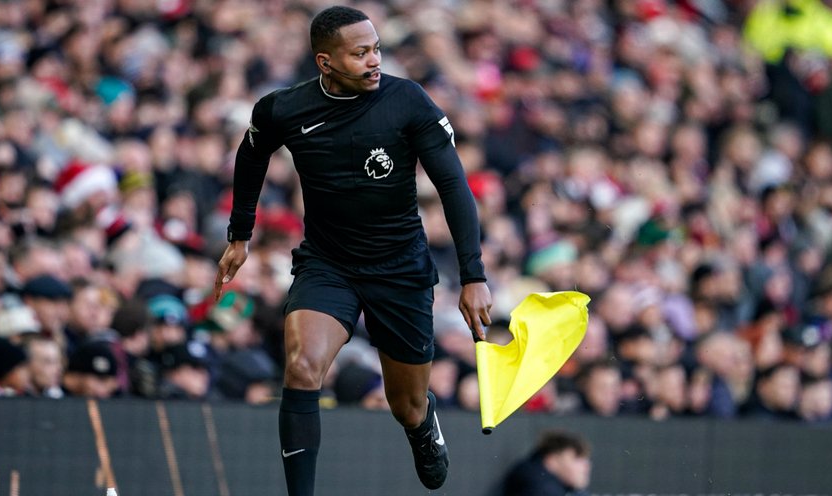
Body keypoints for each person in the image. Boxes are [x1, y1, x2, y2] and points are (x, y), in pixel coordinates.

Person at [213, 6, 492, 494]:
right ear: (325, 62)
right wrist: (240, 234)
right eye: (360, 53)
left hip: (400, 268)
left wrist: (473, 275)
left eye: (376, 49)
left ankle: (421, 424)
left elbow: (453, 185)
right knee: (302, 367)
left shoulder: (407, 101)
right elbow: (251, 154)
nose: (374, 60)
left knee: (406, 405)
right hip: (329, 263)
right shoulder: (284, 109)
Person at [499, 430, 592, 496]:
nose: (586, 466)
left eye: (585, 460)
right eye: (577, 459)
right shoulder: (537, 486)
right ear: (552, 460)